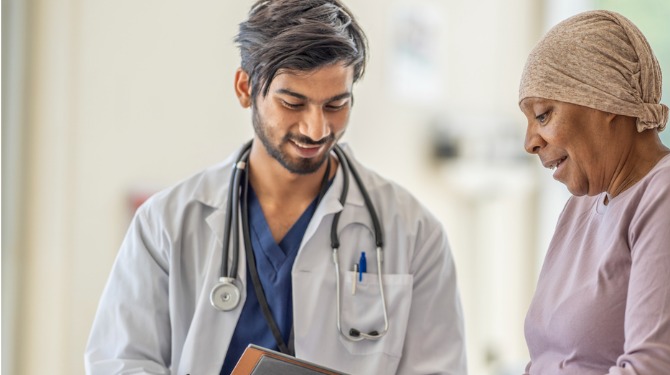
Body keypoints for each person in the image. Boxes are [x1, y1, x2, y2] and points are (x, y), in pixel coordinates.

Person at [84, 1, 467, 374]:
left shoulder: (414, 232)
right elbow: (121, 361)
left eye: (336, 104)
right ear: (245, 88)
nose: (316, 129)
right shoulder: (166, 222)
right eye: (292, 103)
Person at [517, 10, 670, 375]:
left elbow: (656, 369)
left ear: (606, 99)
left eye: (544, 115)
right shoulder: (579, 208)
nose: (530, 142)